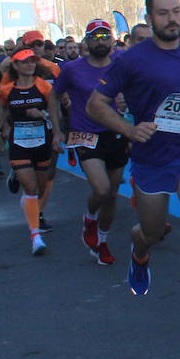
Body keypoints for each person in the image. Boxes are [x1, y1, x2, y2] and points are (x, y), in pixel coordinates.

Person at [88, 0, 180, 346]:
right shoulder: (131, 60)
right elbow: (96, 104)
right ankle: (140, 251)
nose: (172, 19)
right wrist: (128, 129)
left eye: (176, 11)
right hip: (152, 159)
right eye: (163, 13)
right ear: (150, 18)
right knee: (151, 231)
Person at [53, 20, 127, 265]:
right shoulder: (72, 69)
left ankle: (102, 242)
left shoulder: (122, 63)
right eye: (94, 36)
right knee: (102, 190)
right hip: (85, 134)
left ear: (112, 40)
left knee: (112, 195)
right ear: (86, 41)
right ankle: (89, 218)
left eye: (105, 36)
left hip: (116, 132)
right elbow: (53, 97)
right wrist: (57, 130)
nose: (100, 40)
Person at [0, 48, 64, 254]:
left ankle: (26, 196)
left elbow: (54, 115)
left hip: (42, 143)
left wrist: (54, 131)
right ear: (15, 66)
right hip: (19, 144)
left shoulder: (44, 87)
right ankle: (36, 236)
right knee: (32, 189)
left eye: (32, 61)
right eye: (24, 62)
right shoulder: (6, 89)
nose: (30, 65)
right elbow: (4, 110)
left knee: (40, 189)